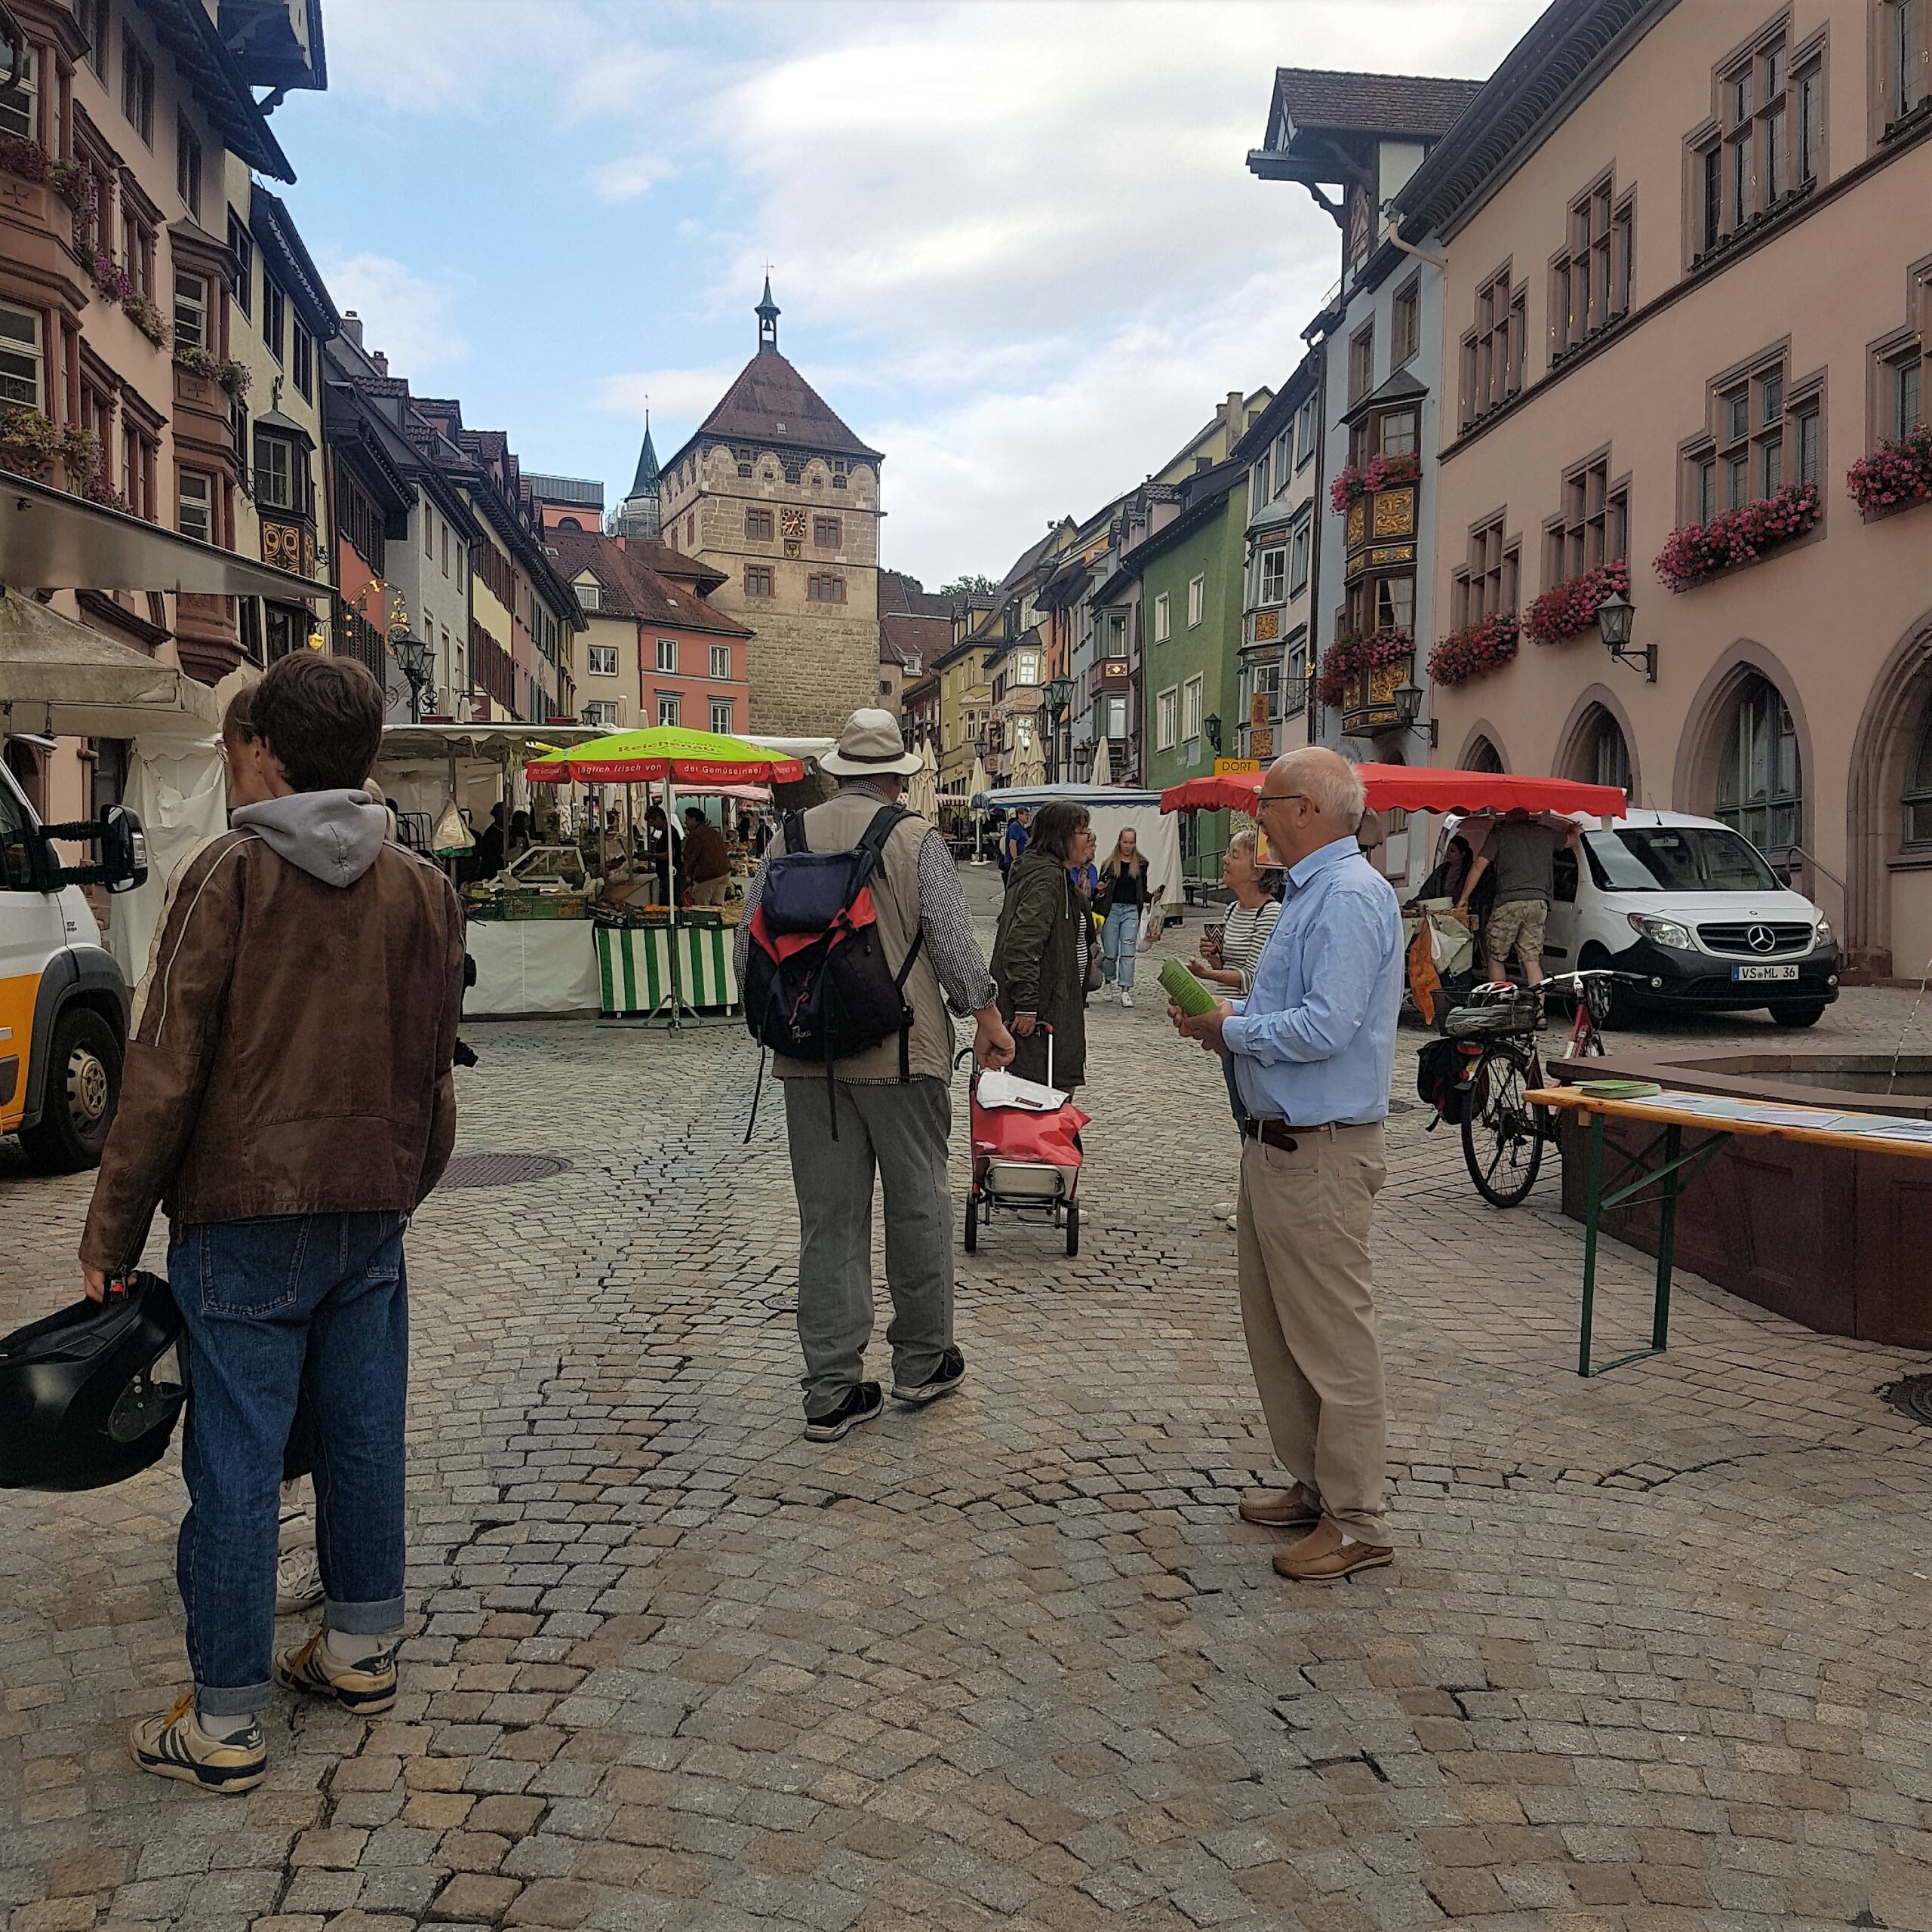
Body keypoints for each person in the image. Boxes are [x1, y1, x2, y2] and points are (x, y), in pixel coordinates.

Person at [78, 654, 467, 1792]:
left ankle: (229, 1719)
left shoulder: (230, 875)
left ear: (265, 751)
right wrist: (403, 1184)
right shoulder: (422, 891)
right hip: (369, 1212)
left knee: (238, 1463)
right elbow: (433, 1075)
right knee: (360, 1432)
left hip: (244, 1212)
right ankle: (358, 1647)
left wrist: (111, 1234)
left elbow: (161, 1074)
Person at [733, 709, 1015, 1443]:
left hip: (810, 1058)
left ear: (835, 770)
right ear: (896, 775)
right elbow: (953, 945)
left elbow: (745, 953)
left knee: (828, 1221)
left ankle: (830, 1388)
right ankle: (922, 1362)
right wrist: (986, 1018)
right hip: (902, 1051)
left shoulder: (784, 837)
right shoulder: (914, 836)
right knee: (917, 1205)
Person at [1168, 748, 1402, 1584]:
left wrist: (1226, 1031)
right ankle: (1315, 1485)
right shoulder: (1312, 894)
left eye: (1264, 803)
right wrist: (1225, 1010)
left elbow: (1326, 1028)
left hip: (1322, 1146)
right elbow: (1288, 1010)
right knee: (1280, 1330)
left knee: (1334, 1339)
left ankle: (1358, 1518)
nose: (1255, 818)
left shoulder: (1346, 897)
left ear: (1305, 808)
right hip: (1279, 1141)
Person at [1188, 829, 1284, 1144]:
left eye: (1235, 855)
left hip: (1250, 1020)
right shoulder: (1230, 911)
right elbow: (1227, 968)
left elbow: (1250, 978)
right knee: (1237, 1108)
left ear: (1257, 871)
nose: (1225, 860)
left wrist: (1206, 974)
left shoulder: (1270, 913)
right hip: (1229, 1020)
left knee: (1251, 1110)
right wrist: (1214, 959)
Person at [992, 801, 1094, 1094]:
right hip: (1041, 1020)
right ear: (1060, 836)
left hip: (1056, 1010)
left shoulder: (1056, 876)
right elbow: (1022, 944)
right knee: (1043, 1112)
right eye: (1082, 831)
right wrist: (1027, 1004)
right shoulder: (1046, 878)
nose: (1088, 837)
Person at [1454, 808, 1575, 987]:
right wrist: (1574, 828)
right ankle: (1539, 1014)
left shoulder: (1500, 835)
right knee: (1531, 960)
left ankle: (1501, 1005)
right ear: (1527, 813)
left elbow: (1479, 865)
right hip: (1538, 902)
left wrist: (1464, 897)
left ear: (1510, 814)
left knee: (1496, 956)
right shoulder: (1545, 833)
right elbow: (1572, 840)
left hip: (1509, 902)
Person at [1096, 826, 1156, 1008]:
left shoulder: (1141, 864)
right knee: (1111, 952)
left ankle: (1125, 989)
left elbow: (1141, 891)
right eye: (1125, 842)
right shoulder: (1109, 864)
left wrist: (1153, 897)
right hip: (1111, 910)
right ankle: (1108, 981)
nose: (1128, 846)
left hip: (1131, 911)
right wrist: (1098, 890)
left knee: (1128, 952)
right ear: (1119, 842)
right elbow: (1099, 891)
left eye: (1131, 842)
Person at [683, 807, 732, 906]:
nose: (685, 822)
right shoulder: (713, 832)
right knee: (717, 907)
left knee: (702, 909)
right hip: (724, 873)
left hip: (708, 876)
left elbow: (691, 858)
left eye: (687, 819)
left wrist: (687, 875)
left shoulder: (696, 835)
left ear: (694, 820)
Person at [473, 801, 506, 879]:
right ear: (494, 814)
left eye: (505, 812)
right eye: (500, 812)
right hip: (492, 872)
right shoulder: (490, 834)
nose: (503, 815)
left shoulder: (511, 831)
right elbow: (489, 856)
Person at [1000, 806, 1031, 881]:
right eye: (1026, 815)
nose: (1028, 817)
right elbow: (1012, 845)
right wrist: (1016, 861)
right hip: (1013, 862)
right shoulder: (1015, 827)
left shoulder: (1022, 828)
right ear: (1019, 815)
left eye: (1028, 815)